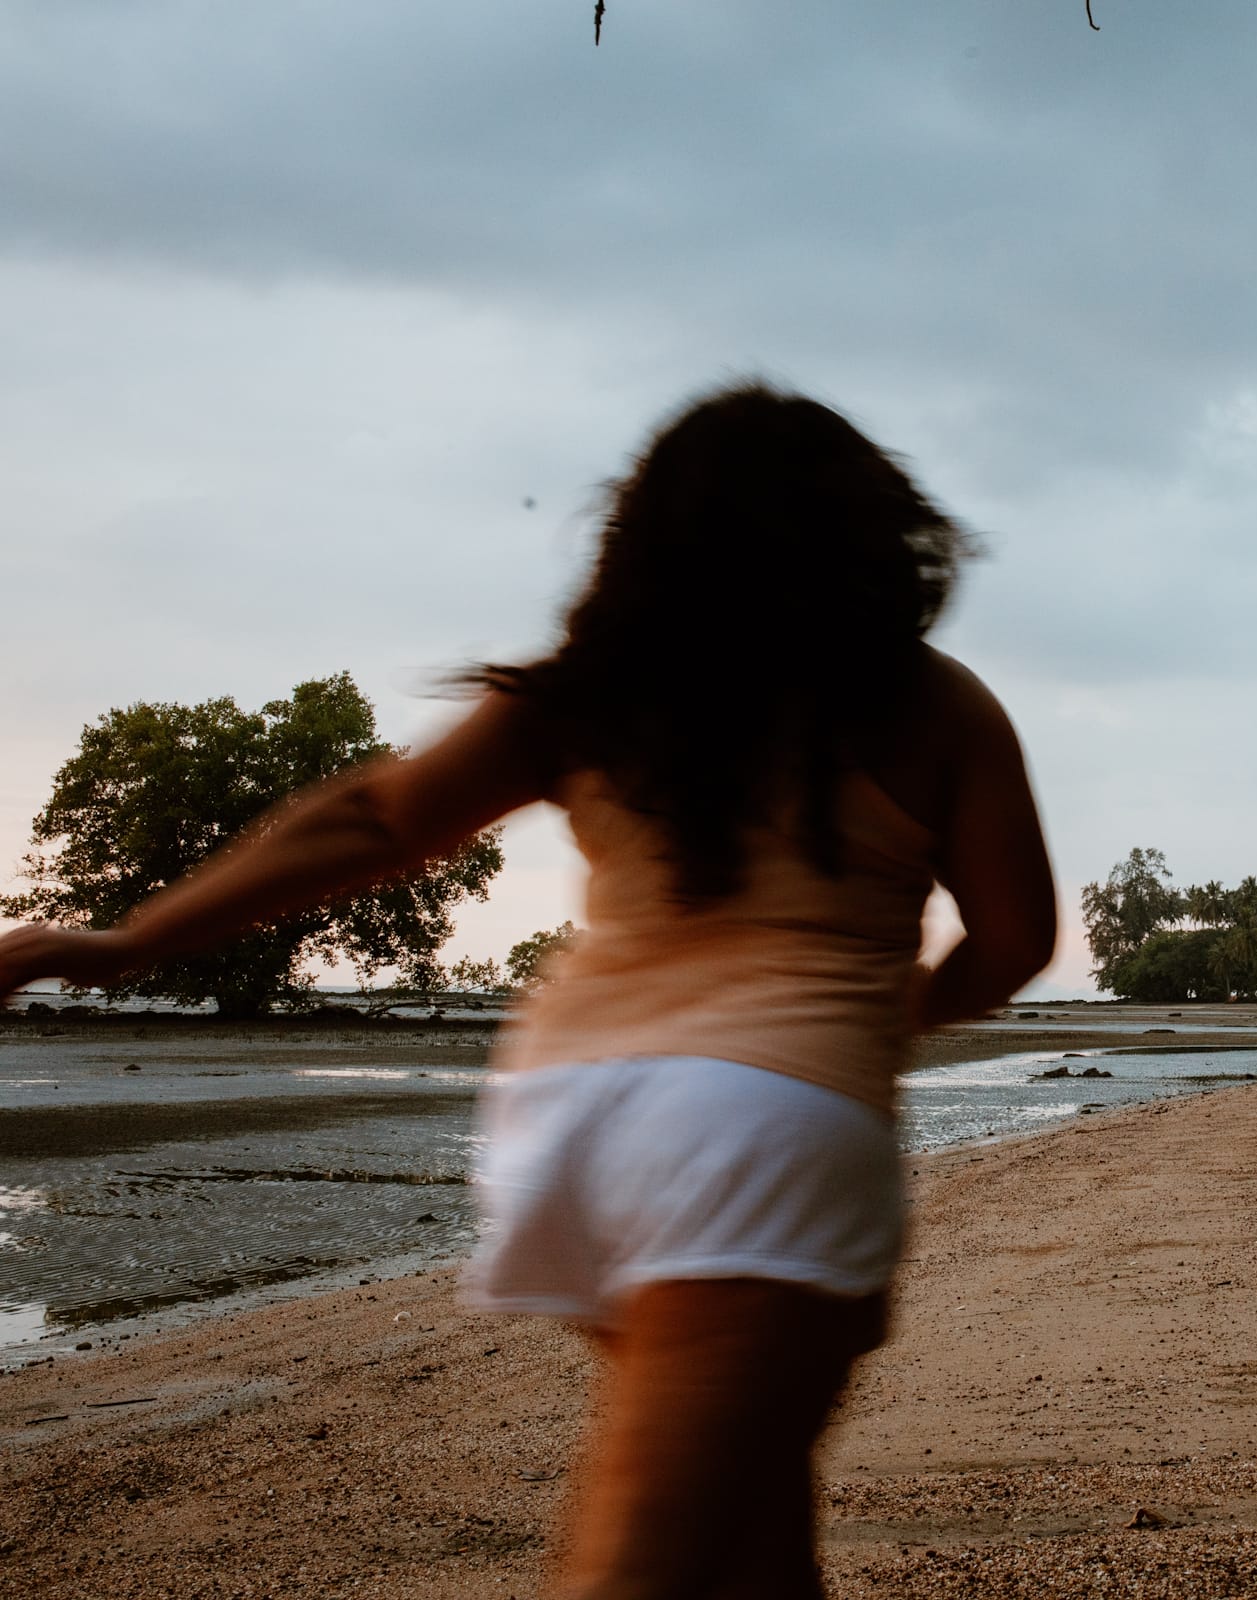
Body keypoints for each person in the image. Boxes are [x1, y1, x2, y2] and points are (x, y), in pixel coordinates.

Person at [0, 382, 1059, 1598]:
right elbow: (1017, 938)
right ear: (873, 531)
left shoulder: (594, 691)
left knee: (757, 1513)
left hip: (561, 1114)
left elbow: (374, 818)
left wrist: (126, 940)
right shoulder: (935, 701)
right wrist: (885, 1022)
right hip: (759, 1130)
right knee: (647, 1550)